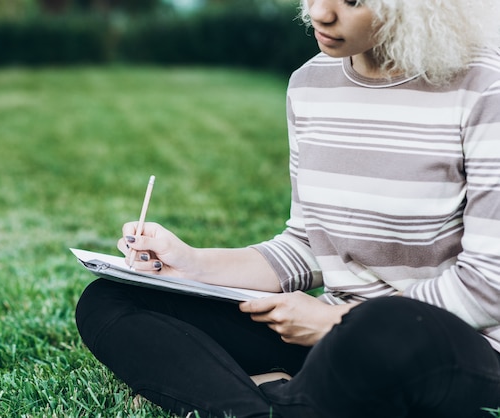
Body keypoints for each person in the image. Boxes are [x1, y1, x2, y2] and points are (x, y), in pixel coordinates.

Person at [76, 0, 500, 416]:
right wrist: (190, 264)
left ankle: (238, 395)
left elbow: (488, 286)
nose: (320, 12)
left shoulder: (483, 88)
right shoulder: (309, 84)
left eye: (352, 1)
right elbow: (308, 244)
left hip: (445, 341)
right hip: (324, 335)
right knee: (111, 298)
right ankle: (265, 406)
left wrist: (335, 324)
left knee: (379, 330)